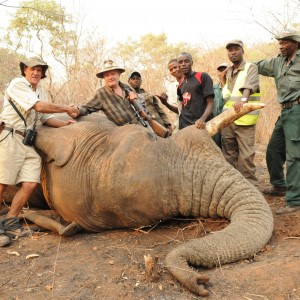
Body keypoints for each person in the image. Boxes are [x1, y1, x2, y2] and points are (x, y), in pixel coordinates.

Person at [0, 56, 79, 247]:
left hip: (28, 141)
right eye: (32, 69)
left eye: (39, 70)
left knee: (30, 183)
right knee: (3, 182)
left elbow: (44, 118)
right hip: (10, 136)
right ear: (25, 70)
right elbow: (39, 106)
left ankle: (11, 221)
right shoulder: (17, 84)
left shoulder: (41, 90)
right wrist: (67, 108)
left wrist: (65, 125)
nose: (36, 73)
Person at [255, 29, 300, 214]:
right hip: (285, 112)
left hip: (298, 110)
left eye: (285, 42)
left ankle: (295, 199)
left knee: (294, 156)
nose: (281, 46)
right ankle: (280, 185)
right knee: (273, 149)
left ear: (296, 43)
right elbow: (255, 66)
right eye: (279, 43)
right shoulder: (277, 62)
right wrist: (234, 67)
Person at [221, 40, 260, 186]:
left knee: (246, 156)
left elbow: (249, 86)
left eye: (236, 49)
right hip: (229, 119)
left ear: (242, 51)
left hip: (244, 118)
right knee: (229, 154)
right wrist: (222, 81)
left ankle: (251, 187)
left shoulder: (251, 67)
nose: (233, 52)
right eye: (230, 50)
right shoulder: (228, 72)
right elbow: (227, 97)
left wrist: (244, 99)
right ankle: (234, 187)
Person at [176, 52, 214, 130]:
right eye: (180, 62)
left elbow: (210, 103)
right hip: (185, 126)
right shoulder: (180, 84)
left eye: (186, 61)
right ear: (178, 66)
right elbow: (182, 102)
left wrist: (202, 119)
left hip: (202, 124)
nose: (183, 64)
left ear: (191, 63)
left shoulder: (202, 76)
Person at [158, 59, 184, 134]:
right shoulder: (172, 88)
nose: (174, 71)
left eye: (175, 67)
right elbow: (178, 110)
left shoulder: (192, 80)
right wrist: (165, 103)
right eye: (171, 69)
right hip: (181, 125)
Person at [212, 62, 229, 148]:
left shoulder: (233, 86)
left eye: (225, 70)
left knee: (228, 147)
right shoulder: (213, 88)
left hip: (229, 122)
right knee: (216, 146)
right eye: (220, 71)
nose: (223, 73)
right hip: (216, 122)